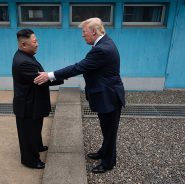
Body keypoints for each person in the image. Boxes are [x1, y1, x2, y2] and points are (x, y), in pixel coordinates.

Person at [34, 17, 125, 173]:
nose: (83, 35)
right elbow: (86, 67)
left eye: (84, 32)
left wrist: (50, 75)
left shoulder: (102, 49)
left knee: (110, 132)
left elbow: (80, 67)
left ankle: (108, 162)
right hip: (107, 95)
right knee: (106, 129)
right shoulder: (104, 43)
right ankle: (104, 152)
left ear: (94, 32)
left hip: (108, 97)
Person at [12, 29, 63, 169]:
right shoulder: (23, 62)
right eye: (34, 42)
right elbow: (42, 80)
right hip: (27, 105)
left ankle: (38, 146)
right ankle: (30, 160)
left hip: (32, 102)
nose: (37, 44)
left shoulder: (25, 55)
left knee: (35, 129)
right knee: (28, 133)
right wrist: (62, 75)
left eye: (37, 41)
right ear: (23, 44)